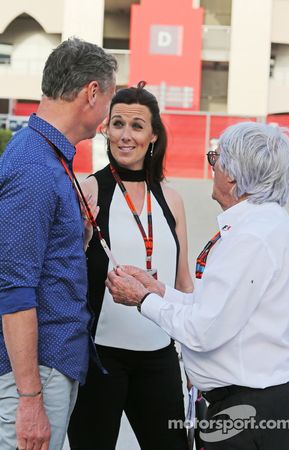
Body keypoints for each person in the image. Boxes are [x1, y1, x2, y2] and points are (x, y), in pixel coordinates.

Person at [107, 122, 289, 450]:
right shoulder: (268, 223)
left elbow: (203, 331)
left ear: (233, 176)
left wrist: (142, 300)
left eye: (215, 159)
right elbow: (216, 308)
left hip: (246, 412)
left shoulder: (250, 237)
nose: (211, 168)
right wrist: (159, 292)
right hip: (257, 402)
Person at [0, 37, 117, 450]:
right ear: (92, 92)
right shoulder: (34, 167)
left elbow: (41, 259)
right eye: (110, 98)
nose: (108, 115)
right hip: (36, 373)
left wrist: (79, 233)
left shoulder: (49, 156)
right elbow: (14, 290)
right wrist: (30, 399)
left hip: (48, 367)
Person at [68, 81, 193, 450]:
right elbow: (67, 272)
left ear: (153, 135)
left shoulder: (172, 198)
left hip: (159, 357)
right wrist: (84, 236)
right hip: (100, 360)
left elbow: (184, 282)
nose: (126, 135)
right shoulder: (89, 190)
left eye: (137, 126)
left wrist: (196, 358)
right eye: (118, 123)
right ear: (105, 129)